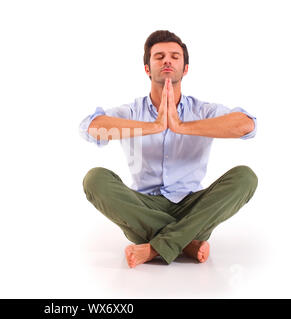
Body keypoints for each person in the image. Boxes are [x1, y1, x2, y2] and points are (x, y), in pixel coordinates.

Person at [79, 30, 258, 268]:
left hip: (193, 205)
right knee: (94, 179)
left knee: (246, 177)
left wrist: (183, 126)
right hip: (144, 205)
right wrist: (152, 126)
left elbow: (247, 125)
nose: (167, 61)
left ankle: (155, 246)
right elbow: (90, 127)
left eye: (174, 56)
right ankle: (186, 241)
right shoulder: (132, 112)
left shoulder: (202, 111)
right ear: (147, 68)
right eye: (159, 56)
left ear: (185, 69)